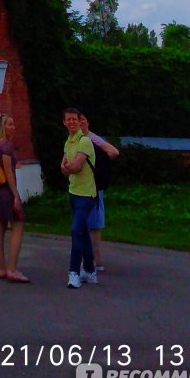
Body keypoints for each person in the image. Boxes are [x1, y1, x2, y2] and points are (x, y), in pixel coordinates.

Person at [0, 114, 30, 283]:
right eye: (10, 124)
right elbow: (8, 172)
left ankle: (1, 268)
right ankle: (12, 268)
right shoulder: (6, 146)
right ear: (3, 127)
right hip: (6, 191)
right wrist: (16, 196)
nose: (14, 127)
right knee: (18, 225)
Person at [61, 106, 99, 289]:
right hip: (73, 192)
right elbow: (64, 168)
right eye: (68, 119)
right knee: (82, 231)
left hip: (86, 194)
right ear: (64, 122)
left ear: (80, 121)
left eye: (74, 119)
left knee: (76, 230)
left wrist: (68, 166)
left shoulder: (84, 141)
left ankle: (74, 272)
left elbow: (74, 167)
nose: (71, 122)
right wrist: (68, 167)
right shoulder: (68, 142)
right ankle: (90, 271)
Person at [79, 113, 119, 271]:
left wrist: (100, 163)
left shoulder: (91, 138)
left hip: (93, 186)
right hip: (80, 187)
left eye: (82, 120)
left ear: (87, 122)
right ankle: (89, 259)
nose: (80, 123)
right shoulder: (75, 139)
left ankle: (96, 259)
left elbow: (114, 152)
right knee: (83, 223)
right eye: (77, 119)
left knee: (93, 224)